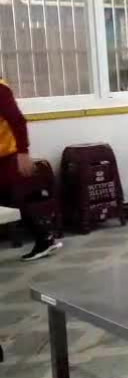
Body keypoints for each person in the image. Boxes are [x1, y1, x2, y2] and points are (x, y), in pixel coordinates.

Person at [0, 80, 62, 261]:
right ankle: (45, 238)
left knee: (15, 199)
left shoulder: (1, 89)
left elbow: (17, 121)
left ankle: (45, 239)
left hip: (7, 155)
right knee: (11, 198)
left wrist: (23, 152)